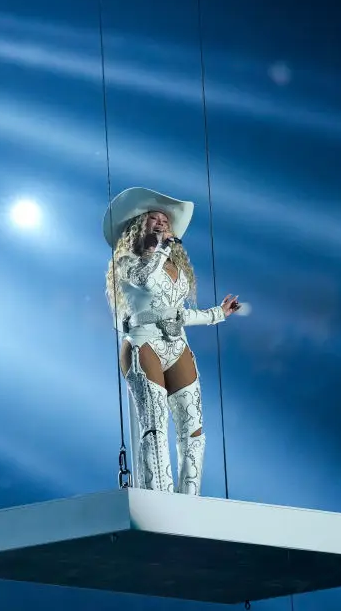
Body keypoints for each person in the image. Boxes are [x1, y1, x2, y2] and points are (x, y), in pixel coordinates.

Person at [103, 187, 240, 496]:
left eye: (165, 220)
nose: (162, 222)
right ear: (139, 225)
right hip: (143, 343)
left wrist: (219, 313)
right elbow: (145, 281)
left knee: (194, 428)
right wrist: (162, 249)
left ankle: (189, 500)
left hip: (177, 345)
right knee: (155, 425)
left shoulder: (174, 267)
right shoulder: (126, 262)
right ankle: (160, 499)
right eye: (154, 218)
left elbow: (178, 313)